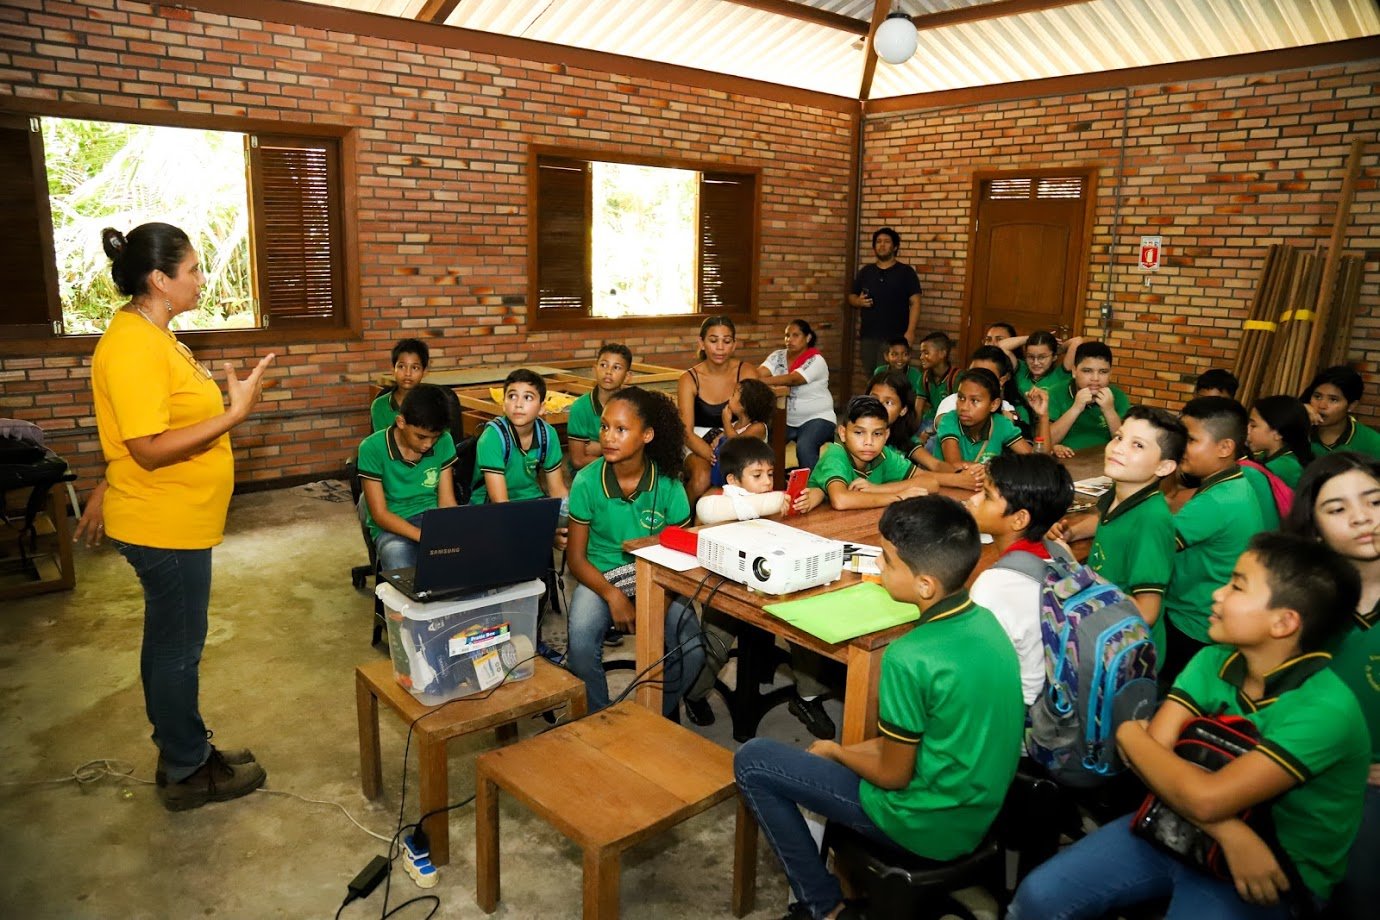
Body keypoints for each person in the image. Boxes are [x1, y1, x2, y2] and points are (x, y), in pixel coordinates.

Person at [1009, 532, 1370, 920]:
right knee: (1038, 896)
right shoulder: (1214, 660)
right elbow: (1147, 762)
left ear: (1283, 622)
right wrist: (1231, 833)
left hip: (1267, 871)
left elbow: (1200, 793)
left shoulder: (1325, 711)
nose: (1217, 594)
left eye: (1236, 586)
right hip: (1181, 828)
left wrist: (1129, 732)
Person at [734, 495, 1024, 920]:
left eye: (887, 560)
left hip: (923, 825)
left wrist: (837, 751)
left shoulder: (909, 655)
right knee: (853, 747)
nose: (878, 566)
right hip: (978, 813)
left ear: (925, 585)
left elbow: (893, 773)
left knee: (754, 760)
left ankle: (825, 907)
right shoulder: (988, 623)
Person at [81, 222, 273, 811]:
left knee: (171, 640)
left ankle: (183, 746)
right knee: (177, 648)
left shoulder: (154, 336)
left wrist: (104, 482)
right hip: (163, 525)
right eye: (192, 269)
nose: (201, 278)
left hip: (173, 515)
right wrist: (235, 414)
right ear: (160, 280)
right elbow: (147, 447)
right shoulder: (134, 346)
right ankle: (188, 767)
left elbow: (133, 435)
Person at [1281, 453, 1380, 920]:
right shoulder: (1295, 607)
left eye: (1375, 501)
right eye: (1337, 509)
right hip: (1295, 774)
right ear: (1315, 530)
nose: (1362, 518)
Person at [565, 386, 703, 716]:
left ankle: (652, 717)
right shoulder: (586, 481)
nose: (608, 437)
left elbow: (682, 557)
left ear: (647, 435)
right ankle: (603, 719)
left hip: (658, 579)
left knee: (693, 651)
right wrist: (614, 596)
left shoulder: (668, 484)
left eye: (621, 429)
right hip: (601, 577)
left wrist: (657, 605)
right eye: (604, 427)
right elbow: (575, 559)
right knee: (580, 647)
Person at [686, 438, 824, 734]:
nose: (766, 482)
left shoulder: (771, 501)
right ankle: (695, 694)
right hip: (725, 589)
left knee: (804, 628)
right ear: (733, 480)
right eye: (757, 475)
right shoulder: (718, 501)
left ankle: (808, 697)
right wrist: (772, 502)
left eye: (770, 475)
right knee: (715, 647)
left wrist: (806, 498)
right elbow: (710, 510)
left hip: (768, 584)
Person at [1058, 406, 1186, 662]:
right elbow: (1105, 520)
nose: (1118, 448)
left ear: (1164, 467)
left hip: (1125, 652)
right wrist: (1071, 532)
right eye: (1119, 437)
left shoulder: (1151, 521)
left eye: (1137, 445)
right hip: (1103, 625)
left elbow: (1147, 612)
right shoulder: (1123, 492)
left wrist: (1078, 573)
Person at [1161, 397, 1265, 685]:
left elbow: (1155, 543)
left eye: (1191, 440)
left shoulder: (1217, 501)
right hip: (1206, 614)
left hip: (1191, 622)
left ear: (1224, 448)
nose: (1181, 447)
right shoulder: (1235, 484)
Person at [968, 453, 1075, 709]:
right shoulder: (1060, 553)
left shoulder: (994, 586)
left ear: (1019, 519)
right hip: (1062, 698)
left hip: (1023, 714)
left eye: (986, 495)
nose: (973, 499)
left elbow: (975, 671)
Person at [357, 386, 458, 571]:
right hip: (391, 525)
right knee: (397, 558)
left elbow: (446, 501)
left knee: (465, 557)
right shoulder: (372, 448)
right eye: (421, 437)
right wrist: (422, 536)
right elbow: (380, 514)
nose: (428, 444)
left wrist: (454, 532)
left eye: (434, 437)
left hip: (431, 519)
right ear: (401, 422)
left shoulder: (444, 441)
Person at [803, 396, 932, 512]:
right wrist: (898, 497)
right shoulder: (835, 454)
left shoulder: (883, 454)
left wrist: (876, 489)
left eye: (877, 434)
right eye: (859, 433)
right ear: (843, 433)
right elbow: (840, 500)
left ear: (886, 435)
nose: (869, 442)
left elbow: (930, 482)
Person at [679, 315, 758, 502]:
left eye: (726, 341)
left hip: (736, 437)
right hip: (697, 440)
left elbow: (754, 418)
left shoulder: (746, 372)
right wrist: (713, 455)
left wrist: (726, 440)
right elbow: (686, 432)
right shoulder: (689, 379)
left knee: (746, 477)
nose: (720, 347)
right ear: (702, 343)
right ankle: (682, 516)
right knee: (702, 478)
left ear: (734, 344)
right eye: (713, 341)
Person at [865, 370, 982, 492]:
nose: (878, 406)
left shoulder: (903, 440)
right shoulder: (859, 438)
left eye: (888, 402)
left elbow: (935, 465)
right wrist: (958, 479)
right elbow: (918, 476)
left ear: (903, 410)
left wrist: (964, 473)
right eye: (873, 398)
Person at [469, 369, 568, 513]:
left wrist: (567, 516)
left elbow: (557, 490)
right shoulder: (492, 437)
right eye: (512, 396)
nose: (518, 404)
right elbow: (499, 502)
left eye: (528, 397)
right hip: (489, 507)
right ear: (504, 405)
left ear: (541, 408)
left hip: (531, 499)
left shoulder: (547, 434)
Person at [758, 319, 836, 471]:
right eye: (787, 335)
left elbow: (794, 379)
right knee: (768, 445)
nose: (789, 340)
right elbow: (759, 372)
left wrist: (762, 381)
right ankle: (774, 480)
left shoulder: (816, 360)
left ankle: (812, 484)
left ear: (808, 338)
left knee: (805, 447)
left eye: (795, 335)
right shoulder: (778, 356)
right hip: (787, 419)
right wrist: (753, 377)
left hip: (817, 417)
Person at [849, 227, 923, 375]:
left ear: (895, 247)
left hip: (896, 337)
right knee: (871, 375)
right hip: (869, 336)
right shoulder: (866, 271)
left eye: (887, 241)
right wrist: (858, 302)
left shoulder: (906, 272)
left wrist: (910, 332)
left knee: (891, 376)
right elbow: (851, 296)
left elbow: (915, 303)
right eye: (878, 242)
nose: (882, 245)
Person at [936, 368, 1047, 466]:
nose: (964, 407)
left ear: (994, 404)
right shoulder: (949, 421)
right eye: (961, 398)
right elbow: (955, 465)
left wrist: (1043, 416)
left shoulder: (1000, 423)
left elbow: (1037, 462)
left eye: (974, 400)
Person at [1047, 341, 1130, 451]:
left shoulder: (1118, 396)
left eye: (1103, 372)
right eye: (1087, 371)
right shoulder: (1055, 392)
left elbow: (1126, 445)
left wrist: (1109, 411)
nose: (1095, 378)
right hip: (1066, 458)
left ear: (1110, 373)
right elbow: (1046, 442)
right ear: (1074, 371)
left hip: (1105, 459)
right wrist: (1076, 408)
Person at [567, 343, 632, 472]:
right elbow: (578, 460)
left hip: (623, 473)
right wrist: (619, 453)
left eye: (616, 367)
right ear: (594, 369)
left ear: (627, 376)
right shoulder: (580, 407)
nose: (608, 372)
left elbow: (639, 449)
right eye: (603, 365)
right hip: (588, 473)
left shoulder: (631, 406)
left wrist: (600, 448)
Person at [701, 377, 775, 488]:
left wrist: (726, 421)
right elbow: (722, 439)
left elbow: (736, 445)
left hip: (750, 478)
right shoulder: (735, 425)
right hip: (732, 472)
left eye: (733, 395)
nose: (729, 398)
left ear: (743, 406)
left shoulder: (758, 427)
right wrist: (715, 445)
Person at [1302, 365, 1380, 459]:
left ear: (1351, 406)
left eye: (1333, 400)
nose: (1322, 405)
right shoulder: (1294, 429)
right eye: (1317, 397)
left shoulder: (1373, 444)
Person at [1246, 395, 1314, 488]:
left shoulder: (1282, 468)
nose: (1247, 430)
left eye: (1253, 426)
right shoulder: (1264, 456)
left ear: (1278, 433)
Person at [370, 338, 429, 433]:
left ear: (424, 372)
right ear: (393, 370)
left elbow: (443, 439)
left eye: (415, 368)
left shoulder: (434, 405)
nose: (408, 373)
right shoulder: (379, 405)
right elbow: (382, 440)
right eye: (401, 366)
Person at [915, 331, 957, 428]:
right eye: (921, 353)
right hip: (928, 421)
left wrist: (931, 431)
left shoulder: (956, 378)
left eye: (926, 353)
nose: (921, 357)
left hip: (947, 424)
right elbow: (918, 410)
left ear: (942, 353)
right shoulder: (924, 378)